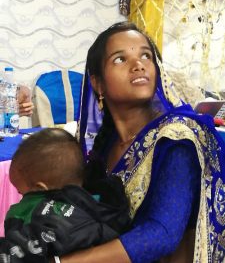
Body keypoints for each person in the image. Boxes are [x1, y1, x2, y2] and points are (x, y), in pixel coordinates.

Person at [57, 21, 225, 263]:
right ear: (98, 84)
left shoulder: (177, 138)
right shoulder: (107, 144)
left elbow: (161, 234)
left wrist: (63, 262)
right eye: (119, 59)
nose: (138, 65)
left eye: (146, 56)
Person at [0, 128, 130, 262]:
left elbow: (14, 254)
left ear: (40, 188)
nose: (20, 197)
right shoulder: (102, 203)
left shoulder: (36, 216)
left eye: (21, 191)